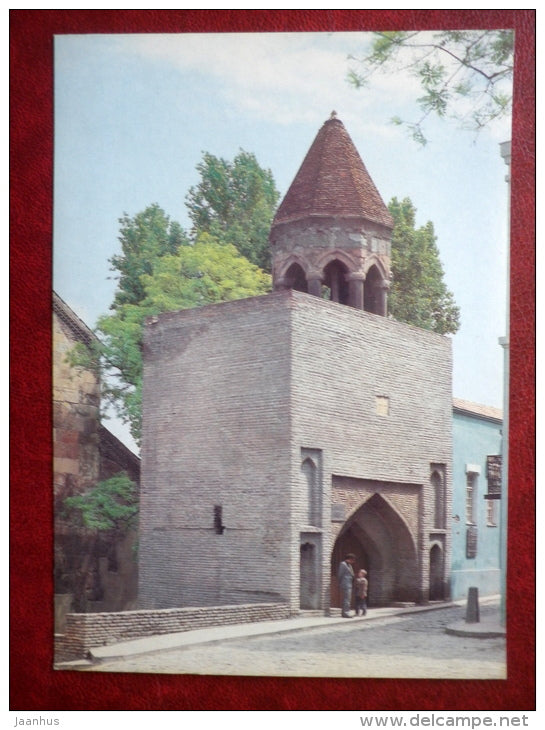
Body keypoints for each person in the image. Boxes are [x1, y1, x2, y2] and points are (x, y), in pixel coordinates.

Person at [337, 553, 356, 617]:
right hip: (345, 583)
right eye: (353, 560)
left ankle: (344, 612)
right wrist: (339, 583)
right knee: (347, 599)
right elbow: (340, 574)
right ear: (349, 559)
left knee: (348, 599)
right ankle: (346, 613)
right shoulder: (343, 564)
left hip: (349, 584)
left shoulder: (349, 565)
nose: (353, 562)